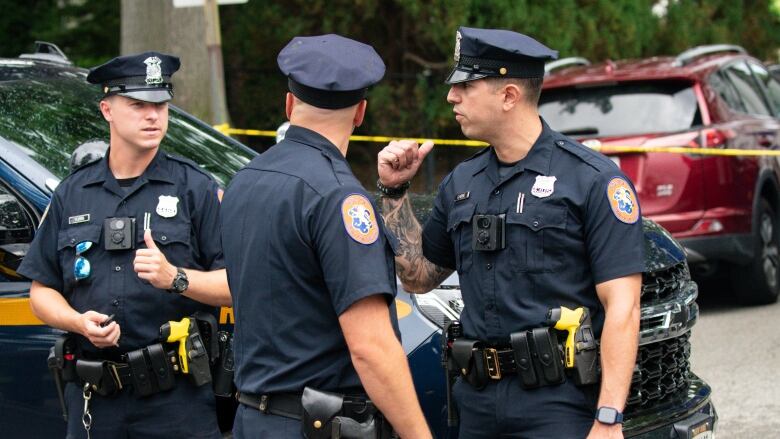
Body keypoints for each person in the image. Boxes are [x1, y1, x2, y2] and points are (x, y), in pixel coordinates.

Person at [377, 27, 643, 439]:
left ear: (509, 96)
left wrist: (608, 418)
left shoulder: (591, 180)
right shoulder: (461, 183)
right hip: (477, 401)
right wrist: (395, 192)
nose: (452, 97)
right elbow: (418, 276)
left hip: (558, 404)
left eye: (466, 86)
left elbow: (623, 309)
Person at [220, 34, 431, 438]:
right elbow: (370, 347)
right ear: (360, 114)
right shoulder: (339, 197)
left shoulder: (245, 180)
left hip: (253, 418)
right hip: (315, 425)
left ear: (288, 104)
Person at [18, 51, 231, 439]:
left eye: (161, 105)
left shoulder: (195, 189)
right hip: (95, 402)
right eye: (138, 105)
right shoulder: (72, 193)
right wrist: (77, 323)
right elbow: (41, 292)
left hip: (177, 402)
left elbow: (237, 285)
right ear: (107, 110)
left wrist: (176, 278)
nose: (153, 115)